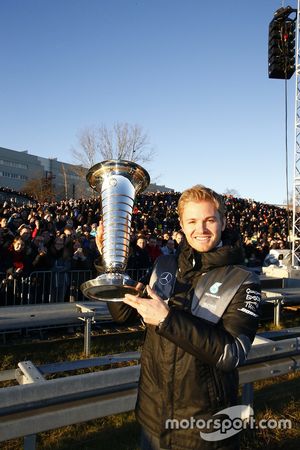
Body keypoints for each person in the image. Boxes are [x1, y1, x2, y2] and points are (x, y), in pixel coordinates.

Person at [96, 185, 261, 450]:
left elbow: (231, 353)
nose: (201, 229)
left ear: (223, 221)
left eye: (209, 220)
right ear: (182, 225)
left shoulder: (243, 280)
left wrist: (168, 320)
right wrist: (110, 260)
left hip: (204, 428)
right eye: (192, 221)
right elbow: (122, 315)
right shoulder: (165, 265)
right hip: (153, 419)